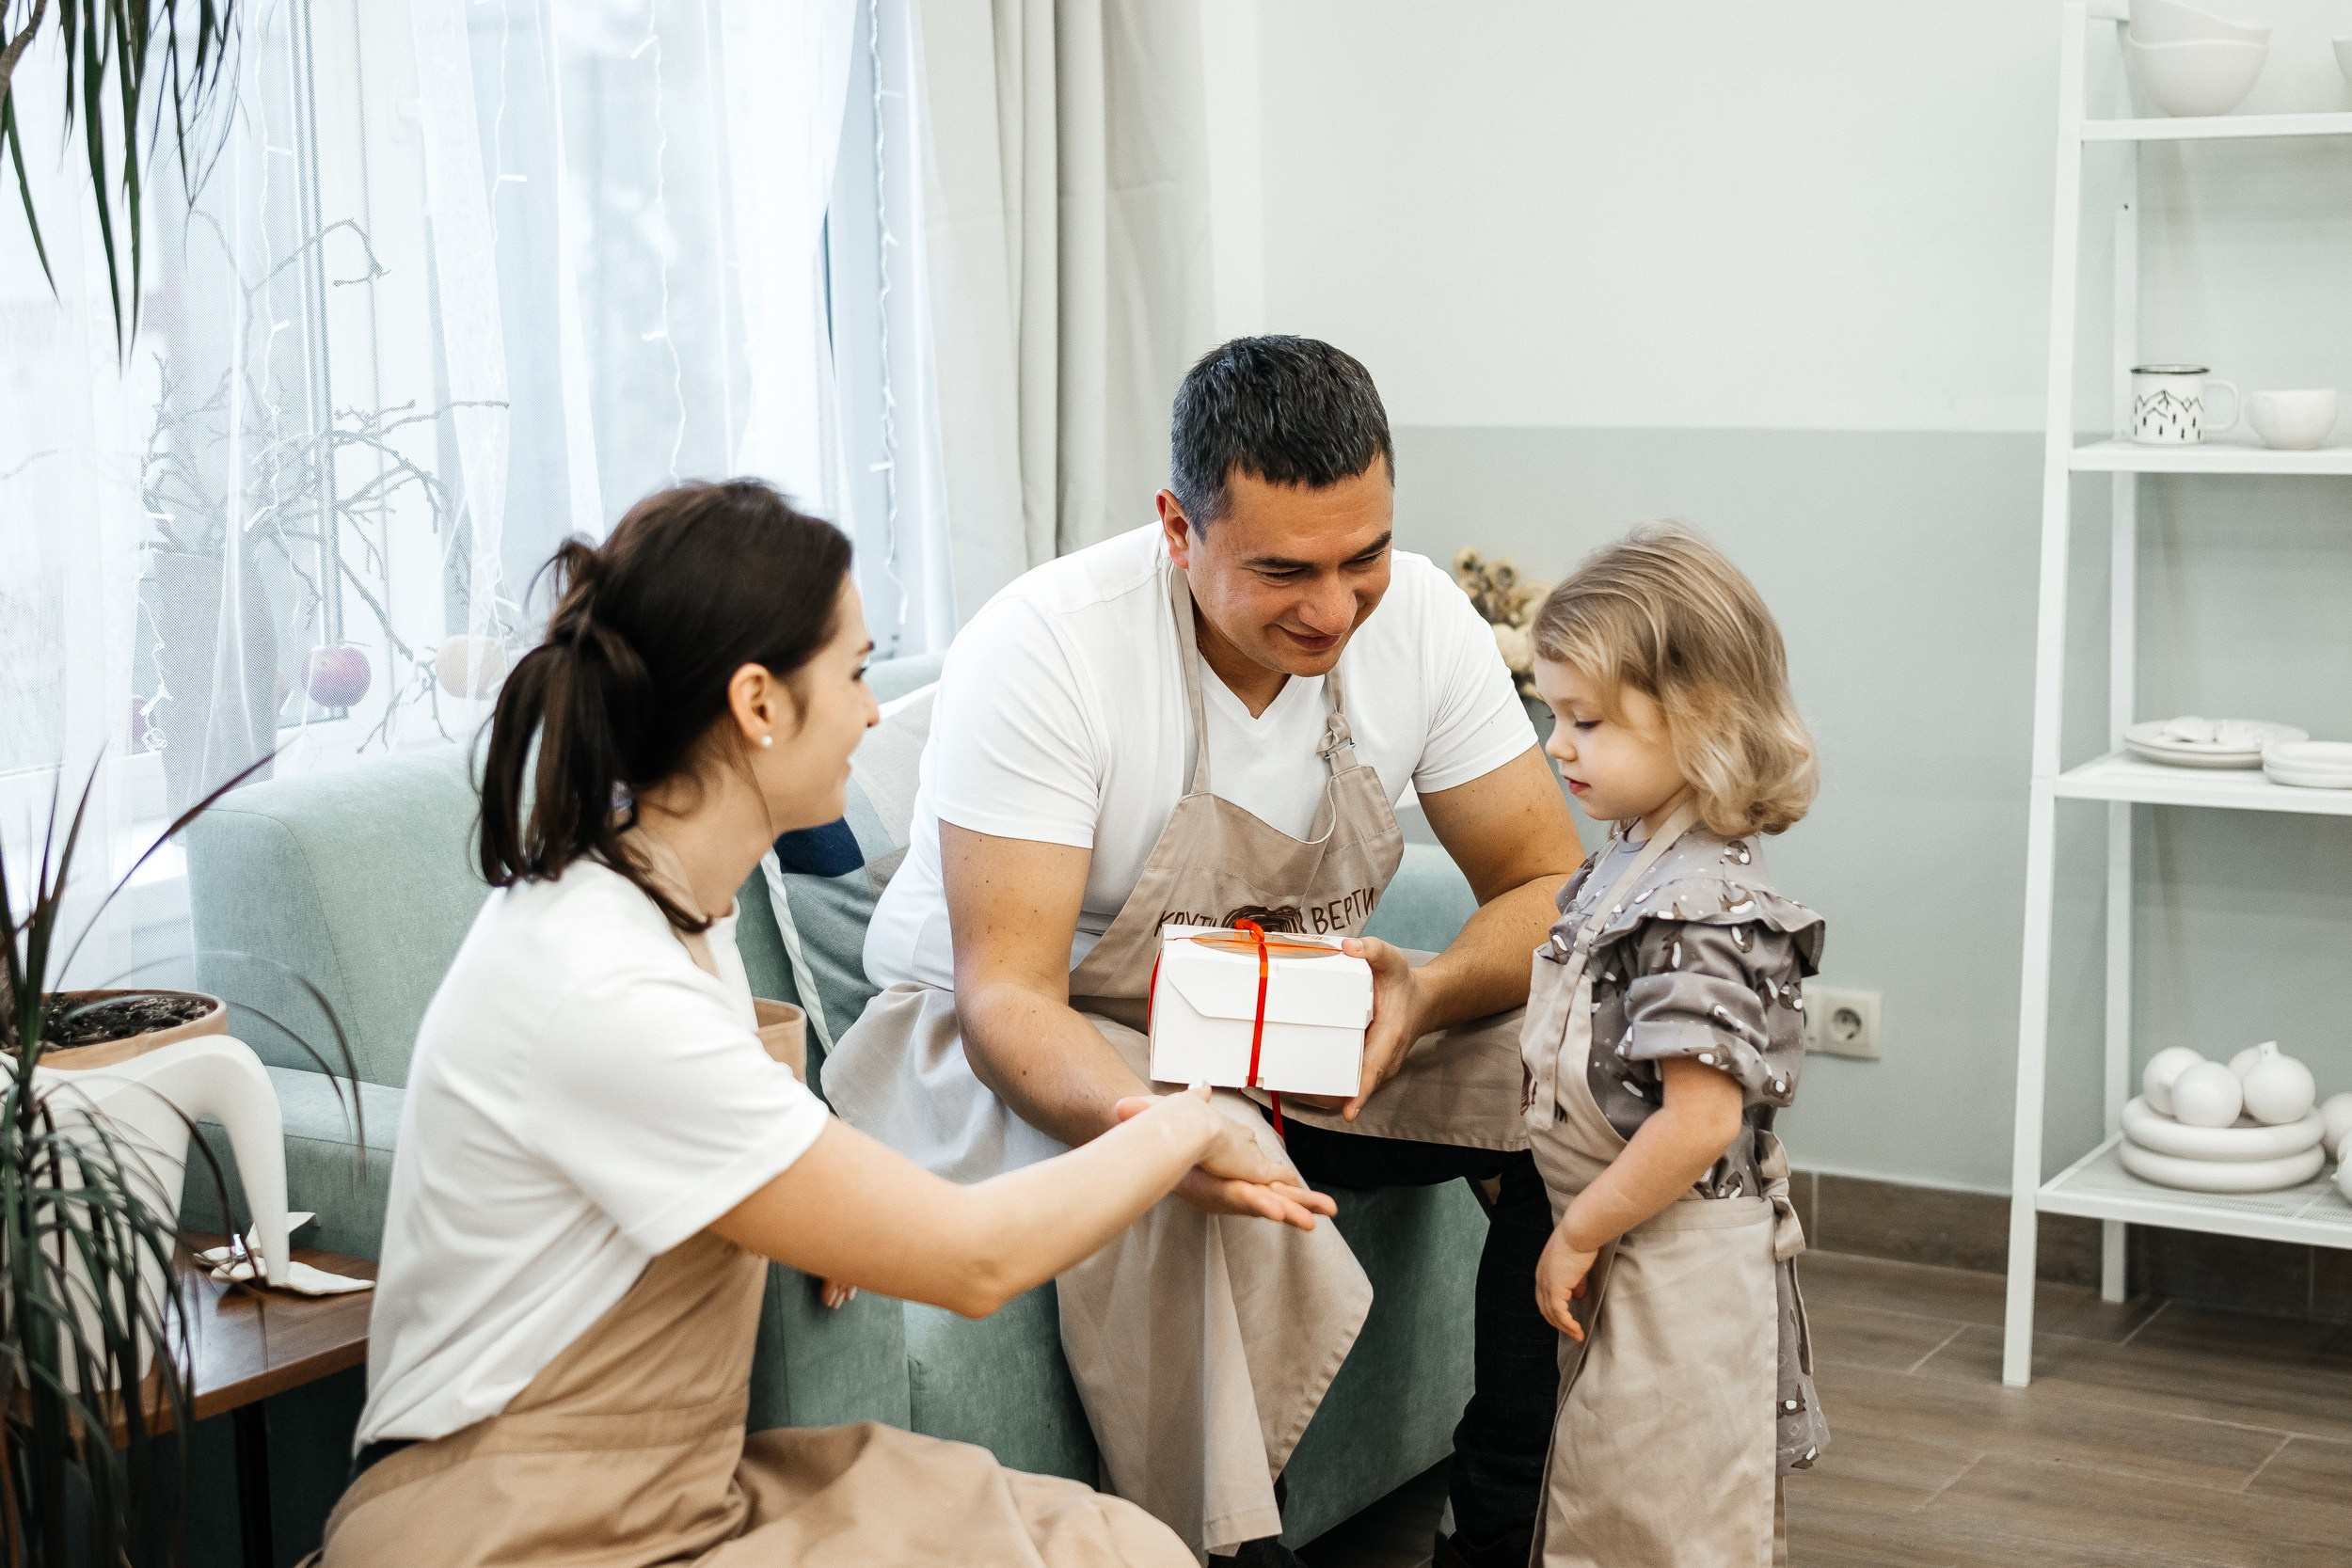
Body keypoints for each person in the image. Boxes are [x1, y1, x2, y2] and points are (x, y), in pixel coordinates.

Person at [307, 482, 1324, 1568]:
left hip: (679, 1490)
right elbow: (974, 1261)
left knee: (1114, 1541)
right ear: (758, 704)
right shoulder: (599, 978)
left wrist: (826, 1195)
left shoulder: (662, 907)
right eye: (852, 670)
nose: (874, 708)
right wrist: (1186, 1121)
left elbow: (724, 1152)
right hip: (516, 1527)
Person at [821, 337, 1586, 1565]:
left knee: (1582, 1059)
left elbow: (1554, 884)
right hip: (1042, 1028)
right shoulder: (1050, 644)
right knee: (1156, 1175)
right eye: (1284, 570)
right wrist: (1175, 1124)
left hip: (1282, 1005)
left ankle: (1504, 1522)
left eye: (1363, 559)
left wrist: (1431, 988)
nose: (1333, 608)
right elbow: (1006, 995)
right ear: (1180, 527)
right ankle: (1232, 1547)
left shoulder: (1425, 620)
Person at [1516, 523, 1830, 1567]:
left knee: (1662, 1521)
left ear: (1698, 719)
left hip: (1682, 1269)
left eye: (1586, 719)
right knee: (1611, 1498)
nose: (1557, 744)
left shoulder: (1695, 907)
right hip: (1636, 1240)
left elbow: (1699, 1118)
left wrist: (1577, 1232)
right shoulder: (1629, 863)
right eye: (1552, 714)